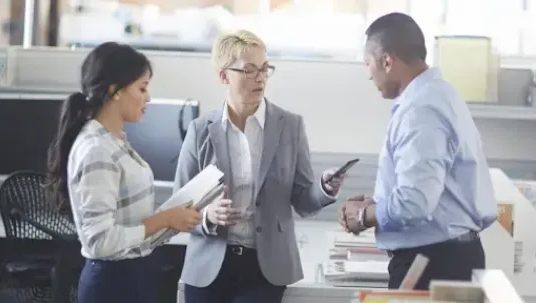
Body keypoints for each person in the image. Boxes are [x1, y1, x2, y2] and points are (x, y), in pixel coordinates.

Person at [175, 29, 345, 303]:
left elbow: (303, 200)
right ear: (223, 76)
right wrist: (208, 216)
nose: (260, 78)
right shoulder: (200, 131)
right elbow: (178, 209)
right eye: (249, 70)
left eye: (265, 69)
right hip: (209, 265)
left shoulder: (289, 126)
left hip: (265, 268)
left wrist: (324, 189)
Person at [338, 13, 498, 290]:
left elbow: (414, 202)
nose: (368, 74)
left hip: (432, 264)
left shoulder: (421, 110)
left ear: (386, 61)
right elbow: (433, 190)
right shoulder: (439, 95)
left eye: (368, 63)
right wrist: (378, 201)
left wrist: (364, 216)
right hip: (445, 258)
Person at [45, 42, 202, 303]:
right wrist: (164, 220)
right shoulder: (97, 149)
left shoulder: (114, 141)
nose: (148, 97)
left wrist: (174, 220)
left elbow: (129, 225)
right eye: (142, 88)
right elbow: (101, 242)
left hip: (131, 277)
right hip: (113, 284)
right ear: (114, 90)